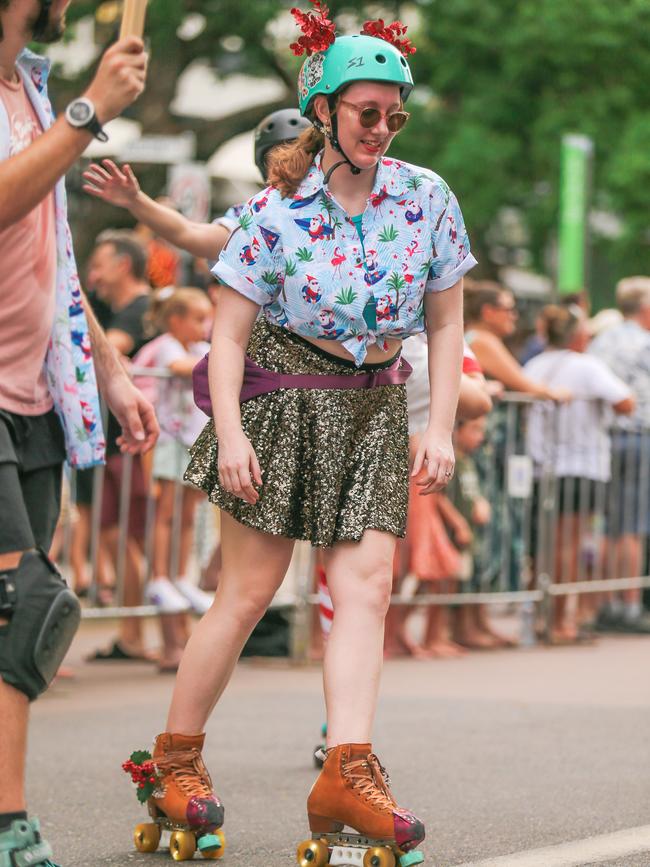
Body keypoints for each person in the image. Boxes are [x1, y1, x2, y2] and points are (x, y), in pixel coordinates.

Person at [123, 8, 477, 863]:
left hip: (373, 408)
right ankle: (175, 762)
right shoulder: (270, 213)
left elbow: (446, 319)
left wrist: (439, 426)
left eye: (396, 114)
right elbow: (229, 336)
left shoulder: (426, 195)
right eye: (367, 112)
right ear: (323, 111)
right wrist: (233, 432)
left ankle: (346, 770)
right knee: (247, 596)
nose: (383, 129)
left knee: (367, 592)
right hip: (283, 402)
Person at [0, 2, 155, 863]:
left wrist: (111, 366)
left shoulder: (27, 82)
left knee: (23, 618)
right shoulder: (58, 102)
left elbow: (50, 245)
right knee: (18, 601)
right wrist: (88, 112)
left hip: (35, 394)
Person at [524, 305, 634, 641]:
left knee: (546, 546)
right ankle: (561, 621)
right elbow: (626, 401)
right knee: (571, 546)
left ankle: (544, 619)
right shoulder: (586, 365)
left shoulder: (534, 364)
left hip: (542, 466)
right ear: (577, 334)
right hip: (582, 466)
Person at [82, 108, 313, 262]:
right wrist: (136, 200)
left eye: (298, 156)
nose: (288, 166)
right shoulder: (255, 216)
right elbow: (189, 232)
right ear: (264, 168)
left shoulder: (342, 208)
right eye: (278, 159)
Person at [85, 231, 161, 662]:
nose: (94, 273)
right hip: (117, 438)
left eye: (100, 262)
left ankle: (159, 632)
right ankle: (134, 632)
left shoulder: (140, 308)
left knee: (143, 534)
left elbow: (113, 351)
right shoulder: (113, 308)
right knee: (117, 535)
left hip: (138, 438)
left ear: (123, 266)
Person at [141, 288, 214, 670]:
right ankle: (160, 574)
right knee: (167, 511)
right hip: (171, 440)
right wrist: (217, 358)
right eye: (198, 318)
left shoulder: (201, 346)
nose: (205, 326)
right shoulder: (170, 346)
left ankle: (181, 574)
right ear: (176, 320)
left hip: (193, 441)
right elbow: (179, 368)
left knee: (187, 514)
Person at [588, 277, 650, 632]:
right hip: (639, 436)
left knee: (610, 526)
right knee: (632, 527)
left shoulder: (603, 339)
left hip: (606, 438)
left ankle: (606, 601)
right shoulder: (644, 342)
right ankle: (629, 605)